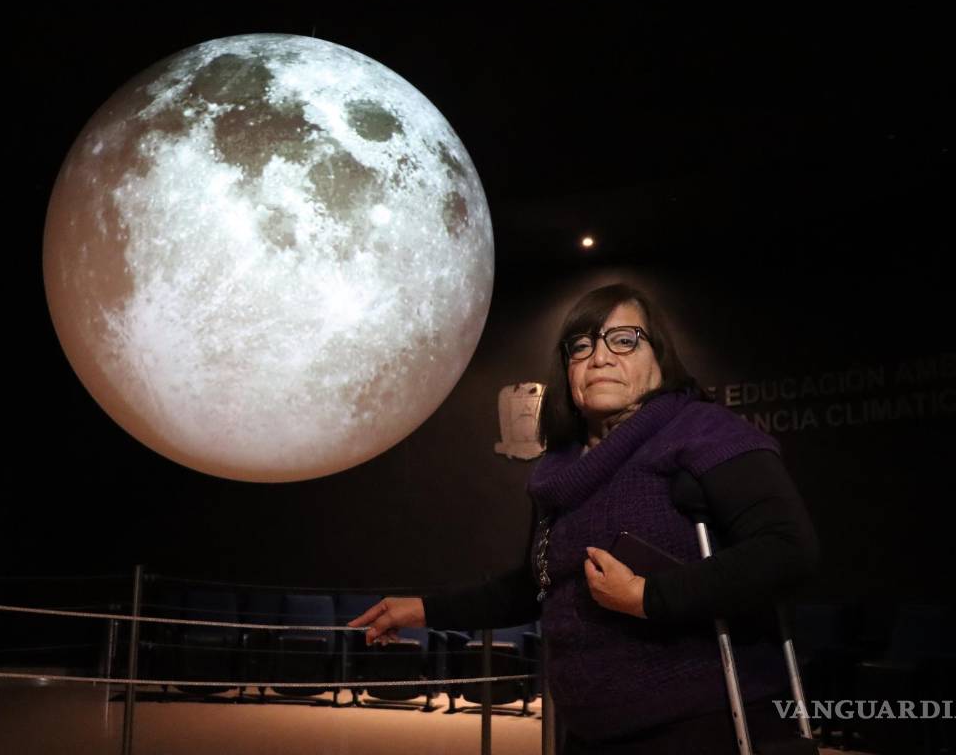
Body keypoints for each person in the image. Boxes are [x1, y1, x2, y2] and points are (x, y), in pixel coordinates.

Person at [349, 283, 821, 753]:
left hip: (703, 726)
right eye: (582, 346)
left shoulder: (704, 431)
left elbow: (787, 549)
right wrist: (423, 610)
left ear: (660, 357)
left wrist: (647, 597)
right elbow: (540, 585)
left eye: (623, 339)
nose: (599, 358)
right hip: (590, 734)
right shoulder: (558, 471)